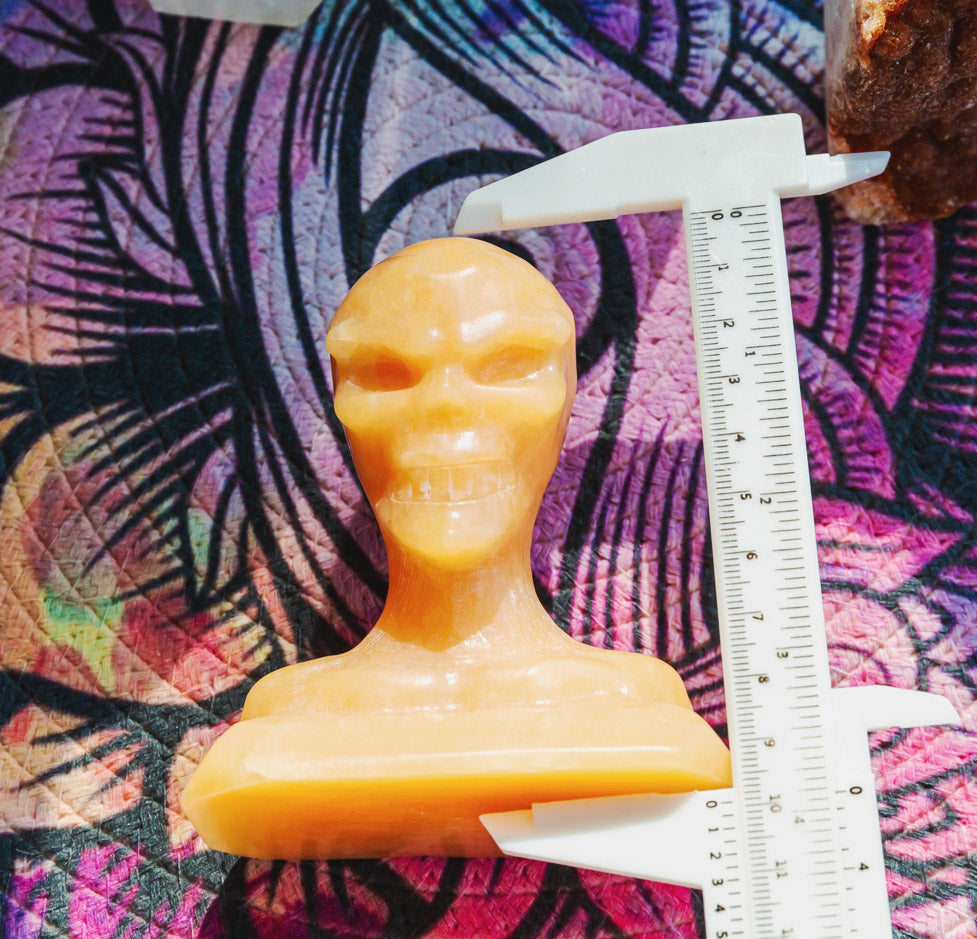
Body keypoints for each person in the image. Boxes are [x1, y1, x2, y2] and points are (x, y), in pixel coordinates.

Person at [182, 238, 730, 858]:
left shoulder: (630, 703)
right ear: (341, 404)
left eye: (508, 366)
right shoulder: (292, 712)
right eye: (384, 374)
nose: (446, 404)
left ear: (564, 400)